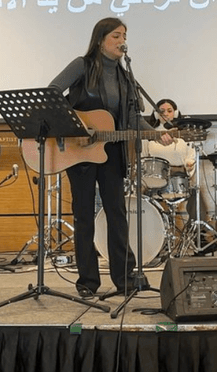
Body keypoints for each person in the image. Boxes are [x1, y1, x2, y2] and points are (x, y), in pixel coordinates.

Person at [49, 17, 171, 299]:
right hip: (79, 152)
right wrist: (77, 126)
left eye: (124, 35)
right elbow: (52, 93)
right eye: (116, 35)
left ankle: (124, 279)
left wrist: (156, 133)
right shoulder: (82, 65)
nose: (122, 41)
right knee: (83, 216)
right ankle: (87, 282)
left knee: (116, 213)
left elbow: (131, 119)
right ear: (101, 39)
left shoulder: (125, 76)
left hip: (112, 151)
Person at [143, 98, 209, 252]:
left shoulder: (185, 133)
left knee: (196, 195)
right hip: (155, 177)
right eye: (161, 111)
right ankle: (150, 238)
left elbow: (191, 156)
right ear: (156, 114)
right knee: (143, 199)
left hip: (179, 174)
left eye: (169, 111)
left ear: (176, 113)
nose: (165, 114)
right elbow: (143, 157)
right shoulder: (149, 134)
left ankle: (200, 236)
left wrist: (189, 164)